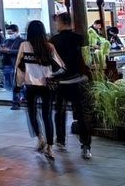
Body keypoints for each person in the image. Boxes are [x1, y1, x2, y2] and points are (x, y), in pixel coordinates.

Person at [15, 20, 64, 160]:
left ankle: (40, 137)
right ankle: (50, 147)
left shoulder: (24, 45)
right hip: (47, 86)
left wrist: (18, 85)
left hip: (30, 85)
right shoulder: (49, 47)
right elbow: (60, 67)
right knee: (47, 115)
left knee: (32, 113)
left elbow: (19, 67)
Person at [50, 12, 93, 159]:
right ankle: (86, 146)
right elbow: (85, 59)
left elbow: (52, 63)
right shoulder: (79, 39)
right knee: (81, 114)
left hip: (61, 82)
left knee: (60, 112)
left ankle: (61, 141)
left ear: (61, 23)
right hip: (78, 81)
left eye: (57, 22)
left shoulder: (54, 41)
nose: (56, 24)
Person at [0, 24, 23, 107]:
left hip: (15, 64)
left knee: (15, 84)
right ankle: (20, 97)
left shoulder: (21, 41)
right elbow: (3, 48)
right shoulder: (7, 40)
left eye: (11, 33)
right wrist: (2, 50)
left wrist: (9, 51)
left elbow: (21, 52)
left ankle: (15, 102)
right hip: (6, 64)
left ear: (16, 32)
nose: (9, 35)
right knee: (8, 84)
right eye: (8, 33)